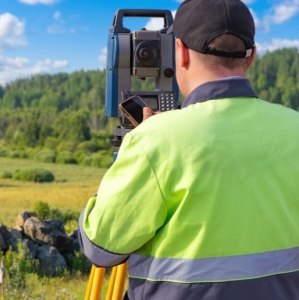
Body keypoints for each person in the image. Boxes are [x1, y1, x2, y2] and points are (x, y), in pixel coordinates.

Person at [78, 0, 299, 299]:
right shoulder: (294, 127)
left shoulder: (152, 141)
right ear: (251, 57)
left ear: (179, 52)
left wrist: (138, 154)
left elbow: (100, 247)